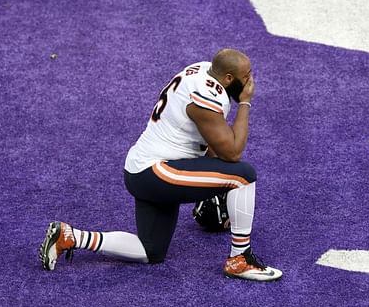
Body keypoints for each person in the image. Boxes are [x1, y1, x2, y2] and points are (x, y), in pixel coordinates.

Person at [39, 49, 282, 282]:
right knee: (243, 176)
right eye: (246, 76)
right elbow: (232, 152)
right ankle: (240, 259)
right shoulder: (208, 96)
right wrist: (245, 104)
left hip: (141, 169)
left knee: (150, 251)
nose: (251, 81)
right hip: (158, 171)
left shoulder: (201, 71)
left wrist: (213, 188)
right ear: (228, 78)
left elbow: (206, 140)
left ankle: (70, 236)